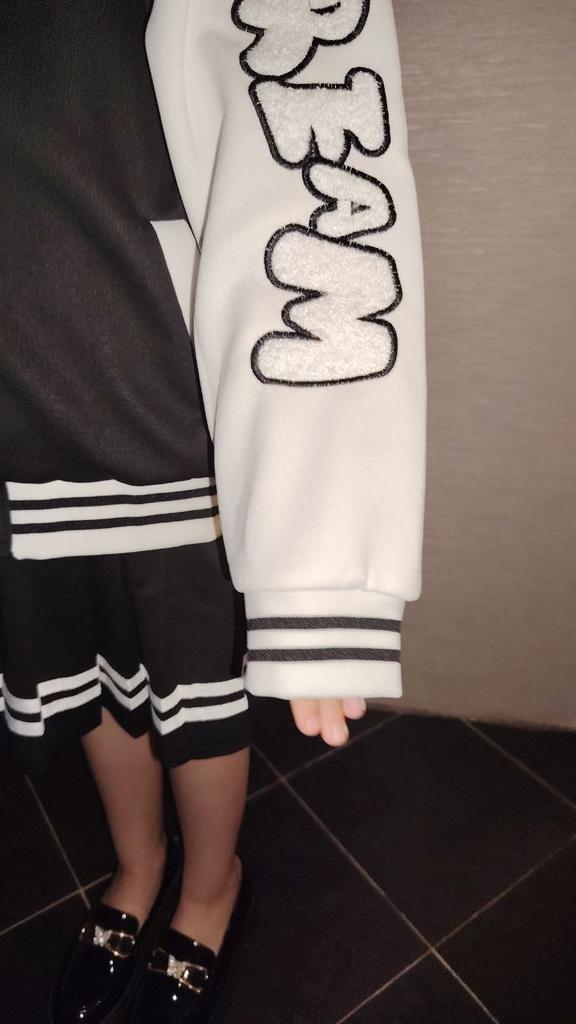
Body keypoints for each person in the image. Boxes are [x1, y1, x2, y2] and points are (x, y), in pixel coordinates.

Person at [0, 0, 426, 1021]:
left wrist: (321, 553)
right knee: (90, 676)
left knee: (193, 693)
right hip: (18, 424)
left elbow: (311, 173)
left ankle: (207, 887)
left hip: (161, 404)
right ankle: (140, 868)